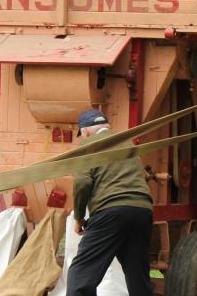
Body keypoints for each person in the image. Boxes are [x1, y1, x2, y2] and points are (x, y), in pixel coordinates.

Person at [66, 110, 154, 296]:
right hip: (142, 211)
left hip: (111, 211)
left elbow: (82, 182)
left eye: (81, 134)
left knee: (80, 276)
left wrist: (79, 218)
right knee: (138, 279)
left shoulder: (88, 144)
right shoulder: (127, 143)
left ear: (85, 131)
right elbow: (141, 176)